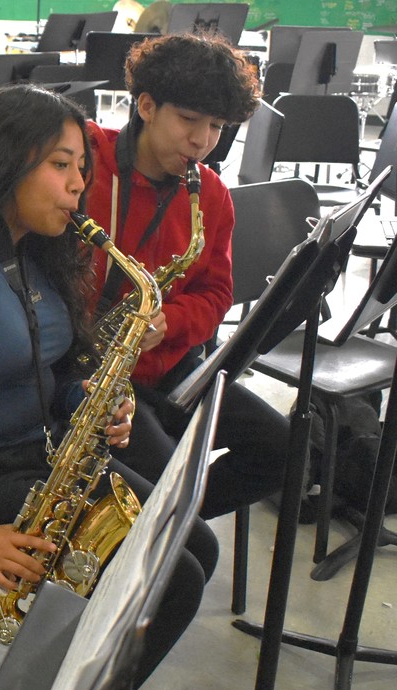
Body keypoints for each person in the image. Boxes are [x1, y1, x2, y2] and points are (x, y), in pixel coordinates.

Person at [0, 84, 218, 685]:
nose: (80, 183)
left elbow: (50, 371)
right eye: (61, 165)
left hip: (39, 456)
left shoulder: (37, 251)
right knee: (174, 581)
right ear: (3, 162)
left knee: (198, 546)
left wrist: (91, 402)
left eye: (82, 166)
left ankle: (73, 677)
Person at [85, 32, 290, 519]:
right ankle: (157, 529)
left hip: (174, 370)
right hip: (94, 376)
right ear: (148, 105)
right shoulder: (88, 163)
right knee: (158, 475)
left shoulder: (211, 194)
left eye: (217, 126)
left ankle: (166, 531)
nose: (203, 142)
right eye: (189, 120)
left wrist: (170, 323)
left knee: (280, 449)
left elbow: (217, 292)